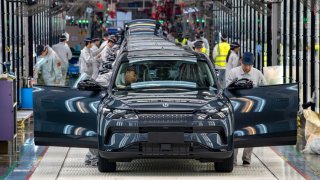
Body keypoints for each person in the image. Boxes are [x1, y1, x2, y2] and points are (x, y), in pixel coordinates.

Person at [225, 52, 267, 166]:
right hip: (237, 108)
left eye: (249, 65)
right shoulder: (233, 73)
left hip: (252, 109)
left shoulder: (257, 74)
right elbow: (227, 90)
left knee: (251, 132)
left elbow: (265, 89)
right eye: (245, 65)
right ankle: (233, 159)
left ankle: (247, 158)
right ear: (241, 61)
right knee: (235, 133)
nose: (247, 67)